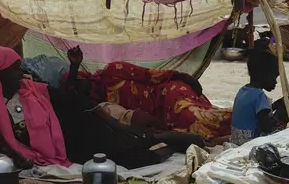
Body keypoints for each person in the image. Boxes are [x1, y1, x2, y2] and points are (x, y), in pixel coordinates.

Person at [0, 47, 204, 169]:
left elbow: (65, 97)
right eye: (13, 69)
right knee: (131, 159)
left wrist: (73, 68)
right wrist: (16, 153)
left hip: (73, 126)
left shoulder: (29, 88)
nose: (20, 73)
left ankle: (167, 138)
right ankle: (167, 141)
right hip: (68, 145)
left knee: (128, 145)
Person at [64, 47, 232, 141]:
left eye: (80, 83)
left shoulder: (112, 71)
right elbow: (69, 94)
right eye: (78, 91)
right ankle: (241, 125)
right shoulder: (103, 107)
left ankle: (245, 120)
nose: (82, 90)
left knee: (193, 119)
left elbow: (149, 74)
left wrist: (185, 77)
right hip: (160, 113)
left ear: (84, 77)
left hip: (167, 93)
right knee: (191, 129)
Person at [230, 49, 289, 146]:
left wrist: (274, 106)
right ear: (265, 74)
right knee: (287, 110)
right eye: (275, 77)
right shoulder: (259, 95)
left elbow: (255, 115)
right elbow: (266, 127)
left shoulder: (243, 90)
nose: (276, 82)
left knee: (283, 107)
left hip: (238, 138)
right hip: (251, 142)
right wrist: (279, 113)